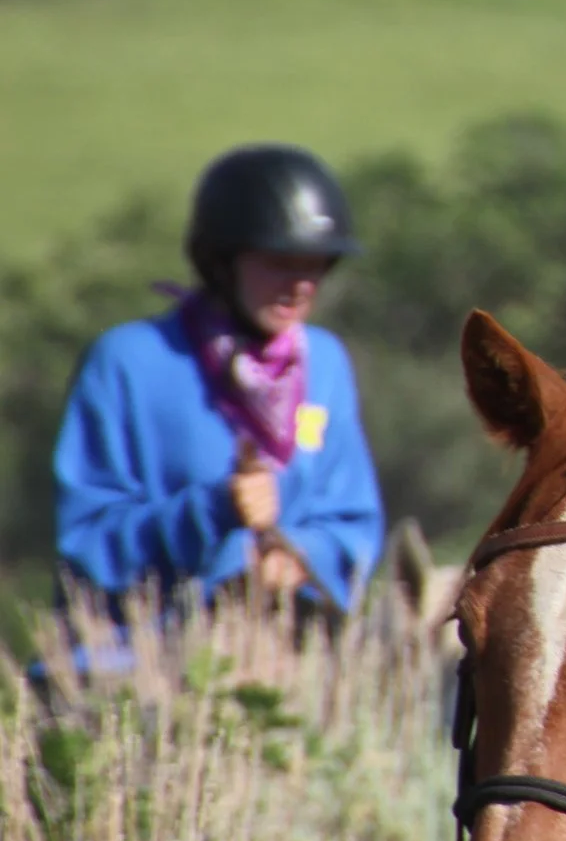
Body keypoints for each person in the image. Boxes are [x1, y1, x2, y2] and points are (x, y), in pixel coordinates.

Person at [54, 144, 385, 615]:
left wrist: (299, 556)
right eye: (277, 262)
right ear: (220, 261)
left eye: (314, 265)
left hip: (290, 644)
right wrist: (212, 512)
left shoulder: (326, 361)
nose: (299, 286)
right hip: (139, 654)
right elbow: (88, 544)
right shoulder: (127, 361)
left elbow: (353, 522)